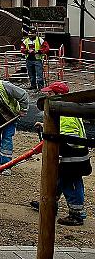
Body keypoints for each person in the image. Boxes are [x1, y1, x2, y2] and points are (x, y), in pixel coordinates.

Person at [31, 81, 91, 226]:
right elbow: (60, 128)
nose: (47, 96)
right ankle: (49, 203)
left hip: (73, 157)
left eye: (50, 94)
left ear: (59, 96)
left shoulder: (66, 115)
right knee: (57, 179)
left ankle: (77, 214)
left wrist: (53, 142)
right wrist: (45, 126)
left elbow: (69, 137)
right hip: (72, 155)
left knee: (71, 183)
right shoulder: (67, 110)